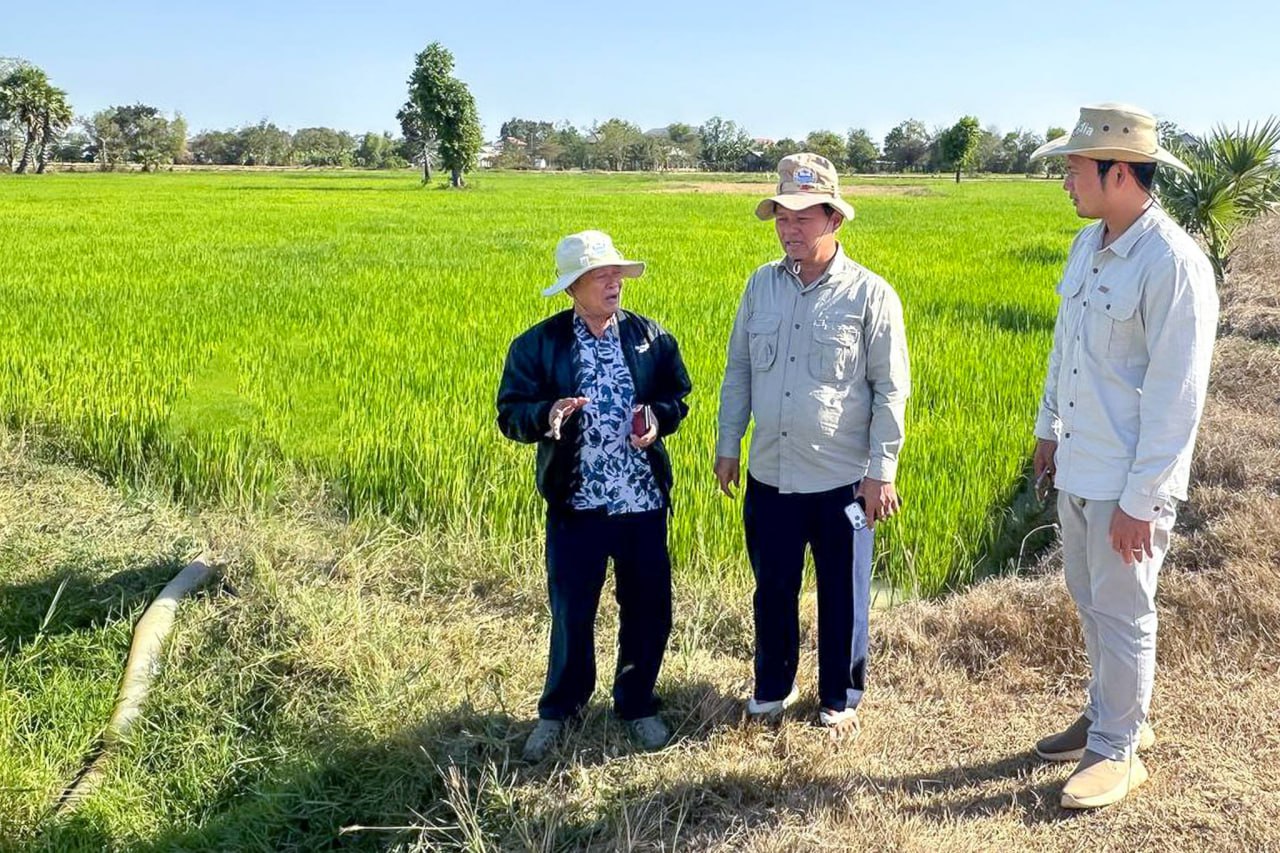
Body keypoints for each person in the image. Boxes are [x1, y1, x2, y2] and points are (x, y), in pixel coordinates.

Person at [1028, 104, 1218, 808]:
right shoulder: (1090, 245)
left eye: (1075, 169)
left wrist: (1144, 499)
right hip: (1081, 460)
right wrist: (1049, 427)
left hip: (1127, 479)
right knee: (1090, 600)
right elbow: (1067, 347)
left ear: (1119, 173)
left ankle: (1119, 748)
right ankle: (1105, 713)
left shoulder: (1173, 263)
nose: (1066, 182)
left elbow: (1178, 396)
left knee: (1125, 608)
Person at [715, 153, 910, 732]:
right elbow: (739, 369)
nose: (790, 229)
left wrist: (881, 471)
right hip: (770, 473)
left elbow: (891, 388)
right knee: (772, 587)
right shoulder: (760, 285)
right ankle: (772, 686)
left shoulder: (871, 294)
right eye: (782, 217)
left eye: (803, 217)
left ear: (834, 219)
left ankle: (839, 697)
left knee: (843, 594)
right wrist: (729, 443)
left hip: (841, 479)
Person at [496, 229, 692, 762]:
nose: (613, 283)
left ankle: (637, 704)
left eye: (616, 274)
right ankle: (560, 711)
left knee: (649, 609)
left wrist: (658, 418)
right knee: (572, 611)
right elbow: (510, 414)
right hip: (576, 502)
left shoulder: (651, 337)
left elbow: (677, 396)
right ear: (572, 288)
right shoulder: (538, 345)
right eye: (599, 276)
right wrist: (547, 414)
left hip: (641, 501)